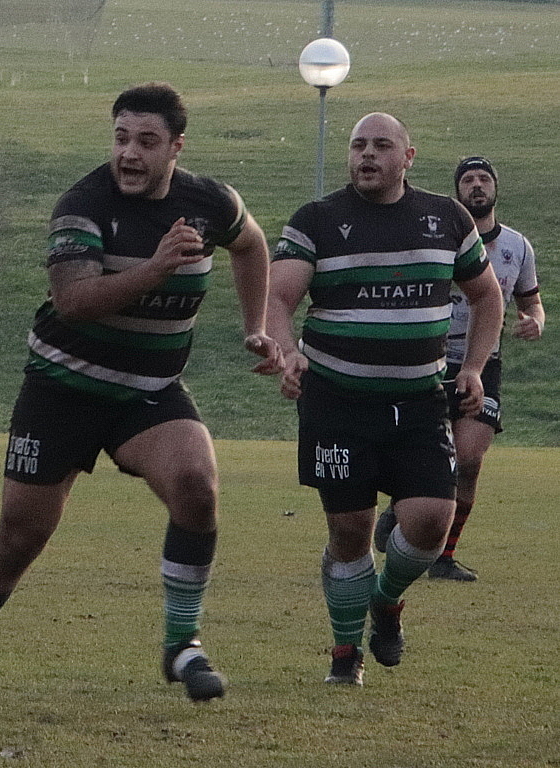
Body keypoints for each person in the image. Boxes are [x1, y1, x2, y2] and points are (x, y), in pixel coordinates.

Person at [0, 82, 281, 705]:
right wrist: (157, 266)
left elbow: (251, 244)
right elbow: (75, 301)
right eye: (121, 139)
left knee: (197, 485)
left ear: (176, 147)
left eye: (146, 141)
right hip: (62, 389)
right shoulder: (82, 206)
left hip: (149, 392)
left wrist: (256, 327)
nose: (130, 154)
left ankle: (181, 643)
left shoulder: (210, 202)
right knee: (20, 540)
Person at [266, 113, 503, 687]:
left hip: (420, 399)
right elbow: (277, 297)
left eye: (380, 145)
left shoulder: (445, 218)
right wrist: (286, 351)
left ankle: (388, 600)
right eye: (357, 146)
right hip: (336, 402)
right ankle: (346, 655)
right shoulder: (318, 220)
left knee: (430, 519)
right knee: (350, 529)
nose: (366, 155)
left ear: (408, 156)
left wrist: (472, 367)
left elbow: (487, 297)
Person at [374, 156, 544, 582]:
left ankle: (442, 556)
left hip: (484, 362)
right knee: (427, 449)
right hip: (430, 359)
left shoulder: (517, 247)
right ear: (458, 191)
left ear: (495, 189)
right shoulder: (439, 240)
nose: (477, 185)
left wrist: (535, 320)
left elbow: (531, 302)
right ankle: (405, 506)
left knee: (468, 458)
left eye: (484, 178)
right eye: (467, 179)